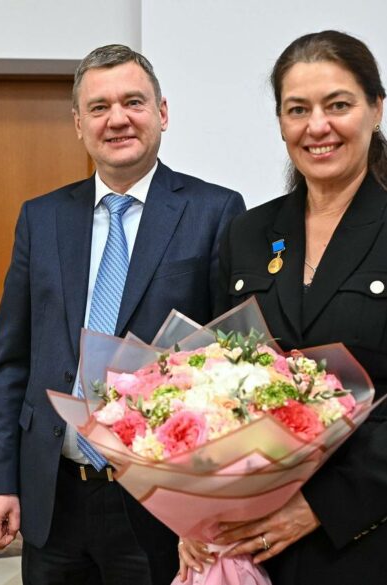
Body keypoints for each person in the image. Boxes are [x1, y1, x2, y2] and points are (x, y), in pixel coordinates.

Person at [0, 44, 245, 585]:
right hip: (52, 495)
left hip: (159, 503)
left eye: (133, 102)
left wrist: (212, 502)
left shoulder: (215, 211)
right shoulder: (41, 218)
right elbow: (11, 363)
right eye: (99, 107)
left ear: (162, 113)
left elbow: (230, 363)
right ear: (79, 125)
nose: (117, 119)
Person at [179, 30, 387, 585]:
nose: (317, 126)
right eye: (298, 110)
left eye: (337, 105)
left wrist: (321, 507)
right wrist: (192, 506)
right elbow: (215, 382)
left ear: (376, 108)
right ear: (280, 122)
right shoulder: (249, 233)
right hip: (254, 543)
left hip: (367, 534)